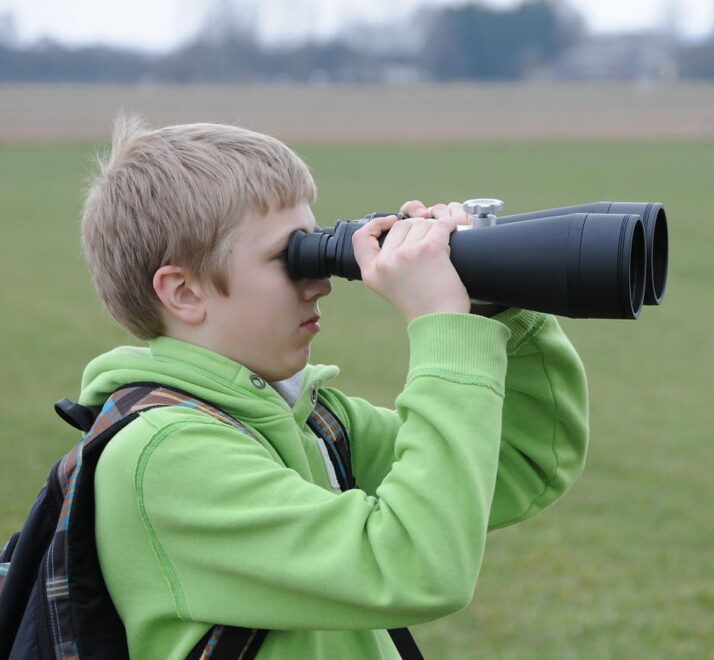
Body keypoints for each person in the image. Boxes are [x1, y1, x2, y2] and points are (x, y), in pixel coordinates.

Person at [79, 116, 588, 659]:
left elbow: (519, 460)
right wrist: (444, 328)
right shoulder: (165, 456)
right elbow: (414, 567)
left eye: (319, 248)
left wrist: (495, 302)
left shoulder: (309, 421)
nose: (320, 280)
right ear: (183, 291)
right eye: (289, 258)